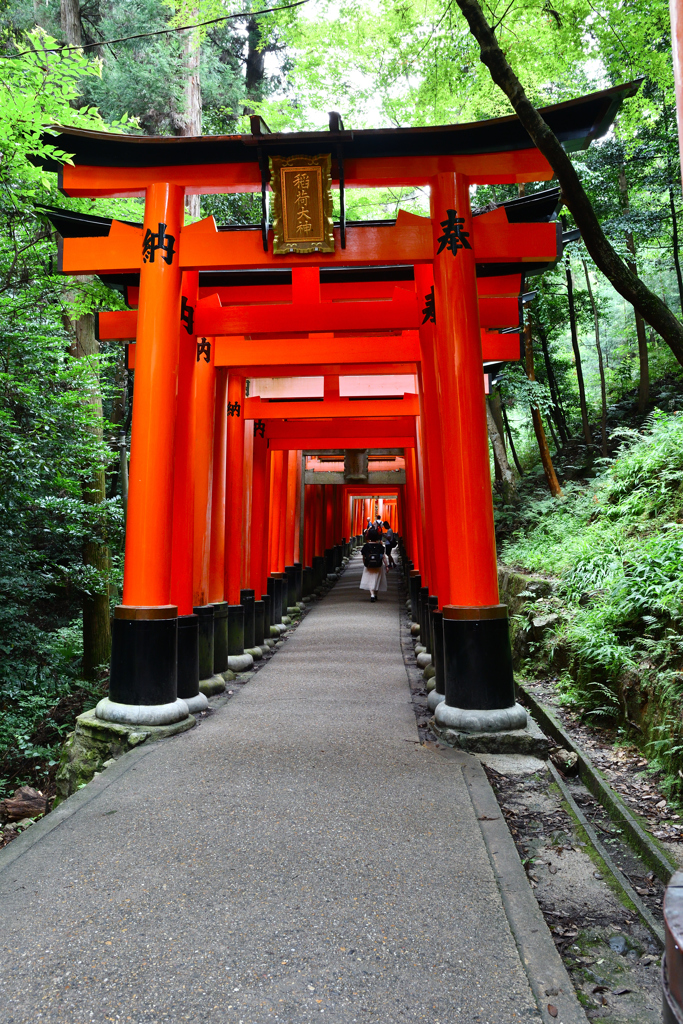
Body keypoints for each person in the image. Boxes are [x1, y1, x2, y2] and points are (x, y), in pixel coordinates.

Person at [360, 528, 388, 602]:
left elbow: (363, 557)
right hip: (378, 565)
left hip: (369, 565)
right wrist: (387, 565)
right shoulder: (380, 546)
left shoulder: (366, 546)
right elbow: (383, 557)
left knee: (370, 579)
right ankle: (375, 594)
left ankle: (372, 594)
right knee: (377, 578)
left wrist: (365, 563)